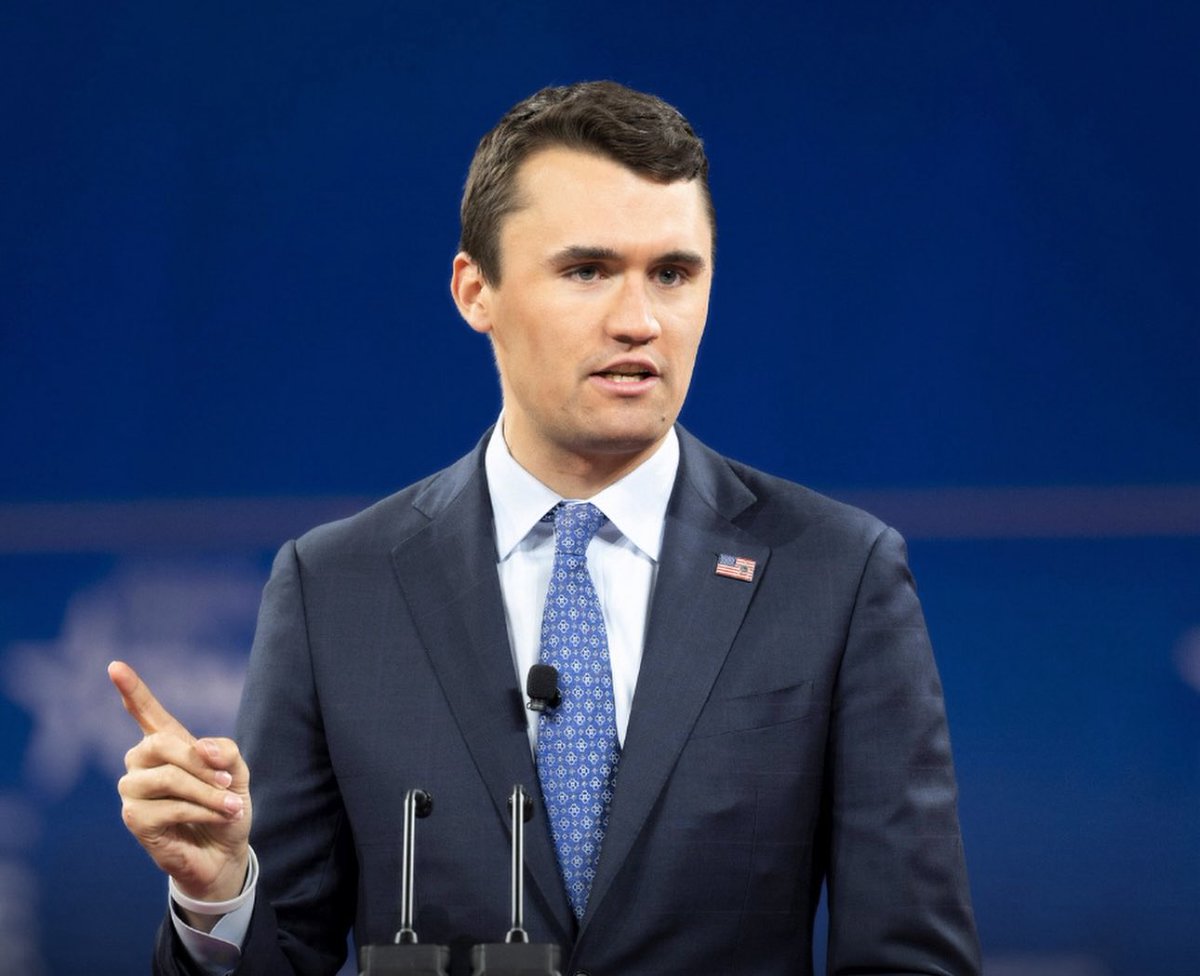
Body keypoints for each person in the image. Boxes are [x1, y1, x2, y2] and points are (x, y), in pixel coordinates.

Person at [111, 80, 981, 976]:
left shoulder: (836, 575)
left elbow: (910, 957)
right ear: (475, 291)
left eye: (673, 274)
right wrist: (219, 897)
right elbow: (285, 948)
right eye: (587, 271)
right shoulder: (335, 587)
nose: (639, 321)